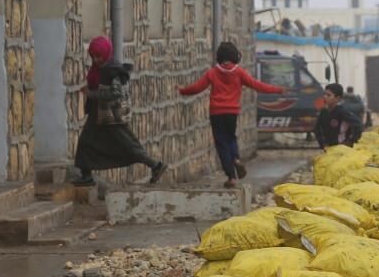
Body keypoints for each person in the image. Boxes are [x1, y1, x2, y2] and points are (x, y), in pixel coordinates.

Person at [178, 41, 284, 189]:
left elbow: (197, 87)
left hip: (216, 112)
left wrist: (183, 90)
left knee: (221, 143)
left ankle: (231, 177)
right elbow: (257, 85)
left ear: (219, 56)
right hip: (232, 112)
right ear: (235, 56)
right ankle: (236, 158)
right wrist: (278, 89)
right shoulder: (239, 72)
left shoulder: (213, 72)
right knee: (231, 137)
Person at [73, 36, 165, 187]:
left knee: (128, 145)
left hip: (110, 115)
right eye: (93, 56)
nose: (96, 60)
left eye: (99, 56)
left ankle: (156, 165)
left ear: (106, 53)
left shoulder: (112, 70)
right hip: (98, 115)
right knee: (86, 143)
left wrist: (92, 94)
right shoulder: (100, 68)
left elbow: (116, 93)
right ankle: (86, 176)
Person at [315, 82, 363, 148]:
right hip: (328, 149)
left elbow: (358, 125)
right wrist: (322, 144)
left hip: (341, 149)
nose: (325, 97)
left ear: (337, 98)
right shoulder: (323, 112)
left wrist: (350, 142)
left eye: (329, 95)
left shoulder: (342, 112)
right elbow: (317, 129)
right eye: (324, 94)